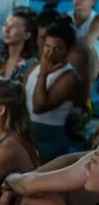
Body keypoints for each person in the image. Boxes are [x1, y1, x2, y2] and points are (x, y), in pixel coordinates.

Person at [27, 20, 79, 163]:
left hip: (48, 139)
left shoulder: (69, 77)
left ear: (68, 51)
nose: (49, 53)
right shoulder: (35, 67)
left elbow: (38, 107)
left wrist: (43, 74)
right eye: (47, 46)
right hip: (27, 132)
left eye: (57, 49)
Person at [0, 7, 38, 84]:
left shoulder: (32, 65)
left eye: (13, 27)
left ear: (27, 34)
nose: (7, 30)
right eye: (5, 25)